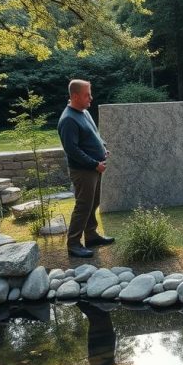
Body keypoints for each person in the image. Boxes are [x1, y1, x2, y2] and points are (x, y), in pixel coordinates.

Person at [58, 79, 114, 258]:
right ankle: (73, 243)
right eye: (87, 94)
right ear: (74, 96)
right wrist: (94, 164)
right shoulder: (68, 120)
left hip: (95, 168)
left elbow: (94, 134)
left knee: (93, 202)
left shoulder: (83, 112)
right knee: (83, 206)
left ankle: (91, 235)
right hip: (84, 171)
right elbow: (72, 150)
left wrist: (103, 147)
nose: (91, 97)